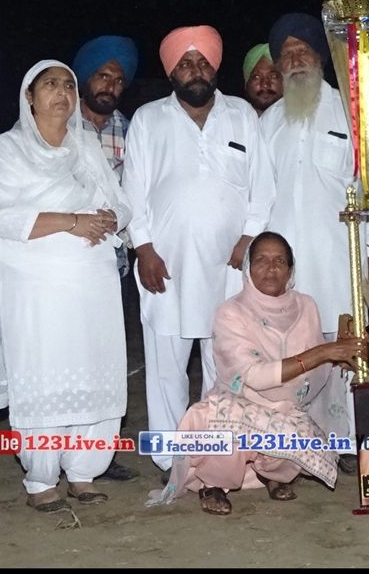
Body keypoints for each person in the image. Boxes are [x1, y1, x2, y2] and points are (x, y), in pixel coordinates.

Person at [0, 60, 132, 512]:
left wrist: (110, 218)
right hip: (36, 291)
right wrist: (72, 221)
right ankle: (41, 478)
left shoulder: (87, 147)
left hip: (92, 285)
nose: (61, 92)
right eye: (50, 85)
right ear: (30, 96)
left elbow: (122, 203)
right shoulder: (8, 148)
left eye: (68, 85)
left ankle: (84, 471)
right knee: (43, 377)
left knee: (94, 372)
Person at [124, 26, 274, 473]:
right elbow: (133, 190)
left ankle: (217, 457)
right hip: (165, 265)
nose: (195, 70)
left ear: (215, 68)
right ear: (172, 71)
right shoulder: (148, 119)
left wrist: (248, 238)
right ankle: (171, 461)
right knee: (166, 366)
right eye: (185, 63)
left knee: (224, 361)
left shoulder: (241, 114)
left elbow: (263, 186)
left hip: (230, 264)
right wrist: (143, 248)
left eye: (203, 62)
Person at [147, 232, 366, 515]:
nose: (271, 268)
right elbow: (255, 376)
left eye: (279, 261)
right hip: (239, 403)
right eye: (261, 260)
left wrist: (341, 359)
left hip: (286, 407)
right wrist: (325, 352)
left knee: (298, 429)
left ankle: (270, 474)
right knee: (228, 425)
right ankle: (212, 484)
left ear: (291, 270)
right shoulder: (231, 312)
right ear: (248, 267)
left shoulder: (306, 305)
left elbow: (317, 371)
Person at [261, 12, 361, 469]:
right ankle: (297, 443)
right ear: (279, 66)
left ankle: (345, 442)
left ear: (320, 57)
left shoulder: (352, 112)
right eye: (287, 55)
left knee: (342, 352)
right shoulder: (268, 123)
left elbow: (367, 187)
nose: (296, 60)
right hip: (286, 267)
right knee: (292, 353)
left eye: (303, 51)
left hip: (338, 257)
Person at [72, 35, 140, 286]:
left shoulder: (133, 133)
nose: (110, 87)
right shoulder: (59, 127)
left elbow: (138, 193)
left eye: (118, 80)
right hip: (64, 254)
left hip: (113, 260)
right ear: (86, 78)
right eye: (103, 76)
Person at [243, 43, 281, 116]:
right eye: (256, 77)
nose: (265, 85)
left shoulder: (299, 119)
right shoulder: (234, 118)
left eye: (273, 76)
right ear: (247, 82)